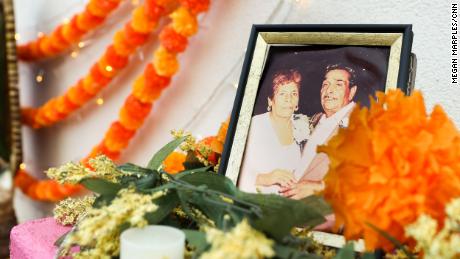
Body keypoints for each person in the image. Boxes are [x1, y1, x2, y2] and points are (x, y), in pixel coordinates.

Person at [280, 64, 358, 200]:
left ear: (351, 92)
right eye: (325, 84)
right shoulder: (313, 120)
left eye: (338, 85)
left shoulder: (362, 124)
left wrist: (319, 187)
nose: (329, 90)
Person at [238, 69, 303, 194]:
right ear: (270, 100)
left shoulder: (303, 127)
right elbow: (233, 170)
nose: (288, 99)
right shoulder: (252, 126)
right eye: (282, 94)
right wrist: (266, 178)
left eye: (294, 94)